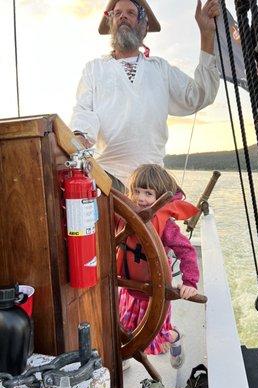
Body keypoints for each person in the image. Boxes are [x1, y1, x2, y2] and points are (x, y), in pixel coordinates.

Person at [70, 0, 220, 191]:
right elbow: (84, 111)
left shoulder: (160, 68)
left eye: (131, 13)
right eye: (117, 13)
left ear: (144, 26)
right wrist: (80, 137)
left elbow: (200, 94)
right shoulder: (94, 69)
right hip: (108, 178)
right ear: (111, 24)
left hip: (152, 179)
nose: (123, 16)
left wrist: (206, 34)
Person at [116, 164, 200, 369]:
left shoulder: (166, 226)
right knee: (125, 325)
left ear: (161, 197)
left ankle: (175, 337)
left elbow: (187, 251)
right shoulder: (124, 216)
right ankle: (123, 355)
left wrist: (190, 282)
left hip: (155, 292)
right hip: (130, 287)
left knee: (156, 336)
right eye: (136, 191)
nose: (140, 198)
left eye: (148, 193)